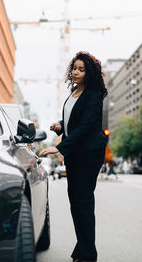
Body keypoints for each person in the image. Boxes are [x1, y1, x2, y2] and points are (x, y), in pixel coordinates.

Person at [39, 51, 108, 262]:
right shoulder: (74, 91)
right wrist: (61, 126)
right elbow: (74, 120)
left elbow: (86, 125)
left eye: (81, 69)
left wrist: (60, 147)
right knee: (76, 204)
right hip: (76, 154)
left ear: (89, 73)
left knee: (83, 202)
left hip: (88, 154)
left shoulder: (94, 93)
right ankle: (83, 250)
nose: (76, 72)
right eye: (74, 68)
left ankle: (88, 254)